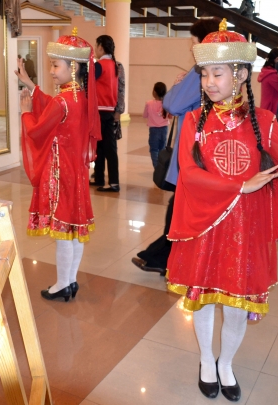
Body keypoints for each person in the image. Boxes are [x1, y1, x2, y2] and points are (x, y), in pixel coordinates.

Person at [166, 19, 278, 401]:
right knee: (203, 299)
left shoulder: (263, 122)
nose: (208, 82)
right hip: (206, 225)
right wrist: (240, 186)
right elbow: (189, 172)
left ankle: (226, 364)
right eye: (204, 74)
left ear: (239, 74)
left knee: (236, 307)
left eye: (217, 73)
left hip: (246, 231)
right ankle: (206, 360)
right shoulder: (193, 122)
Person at [15, 29, 100, 301]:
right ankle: (71, 280)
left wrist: (26, 113)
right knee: (74, 230)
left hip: (60, 173)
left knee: (63, 233)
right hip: (76, 172)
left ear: (72, 67)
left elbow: (37, 130)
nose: (51, 71)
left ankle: (63, 283)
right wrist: (30, 84)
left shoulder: (63, 101)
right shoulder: (80, 96)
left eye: (55, 65)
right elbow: (51, 106)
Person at [132, 17, 221, 275]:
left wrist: (178, 85)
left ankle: (163, 257)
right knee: (182, 206)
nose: (191, 48)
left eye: (194, 43)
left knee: (181, 207)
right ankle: (162, 257)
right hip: (207, 150)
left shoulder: (200, 70)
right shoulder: (219, 70)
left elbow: (171, 104)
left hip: (193, 151)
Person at [91, 34, 120, 192]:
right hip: (109, 109)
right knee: (103, 146)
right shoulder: (114, 64)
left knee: (105, 147)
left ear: (101, 47)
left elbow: (88, 84)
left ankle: (113, 183)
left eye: (96, 46)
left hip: (100, 110)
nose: (95, 49)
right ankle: (99, 177)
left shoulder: (99, 65)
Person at [143, 82, 170, 168]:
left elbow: (145, 115)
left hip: (153, 130)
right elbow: (170, 116)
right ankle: (162, 167)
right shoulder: (166, 104)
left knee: (154, 149)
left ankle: (157, 167)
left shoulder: (149, 103)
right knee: (162, 149)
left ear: (154, 92)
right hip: (164, 129)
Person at [257, 47, 278, 113]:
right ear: (277, 59)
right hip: (271, 109)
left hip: (267, 108)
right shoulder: (272, 75)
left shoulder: (267, 71)